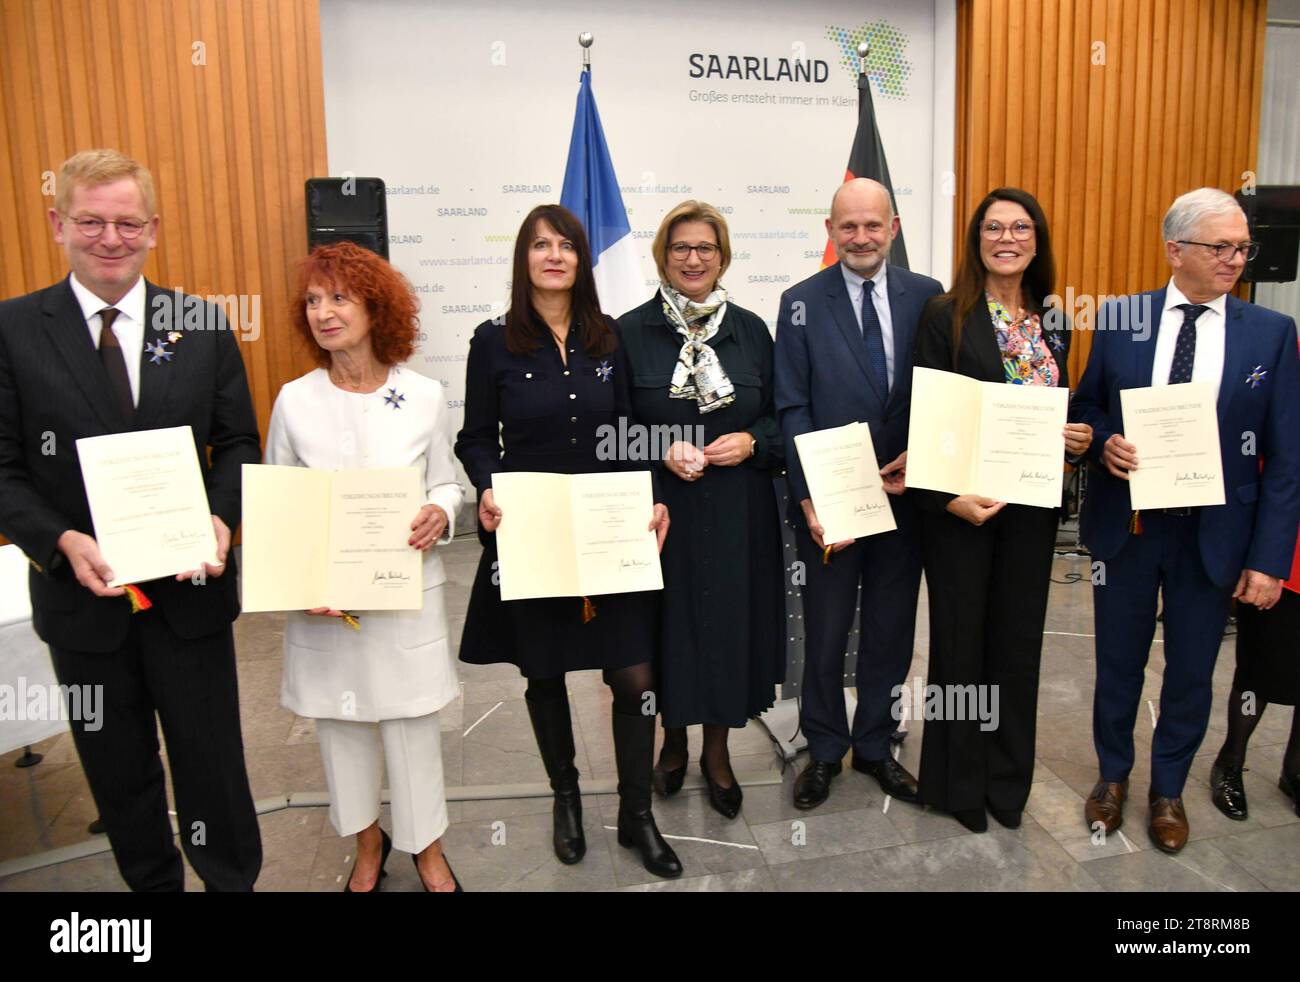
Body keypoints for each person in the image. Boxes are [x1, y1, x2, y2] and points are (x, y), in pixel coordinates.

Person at [0, 149, 262, 890]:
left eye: (127, 223)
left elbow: (238, 439)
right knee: (119, 778)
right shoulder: (13, 330)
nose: (110, 238)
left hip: (191, 597)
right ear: (58, 224)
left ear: (153, 228)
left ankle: (232, 882)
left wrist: (221, 517)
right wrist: (58, 541)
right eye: (91, 221)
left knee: (213, 766)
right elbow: (3, 469)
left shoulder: (200, 323)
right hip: (83, 603)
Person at [1071, 188, 1300, 853]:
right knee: (1118, 663)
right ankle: (1112, 777)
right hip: (1131, 527)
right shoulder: (1121, 320)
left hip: (1216, 536)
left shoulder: (1271, 334)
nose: (1236, 259)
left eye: (1242, 248)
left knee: (1194, 669)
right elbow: (1090, 409)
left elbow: (1286, 459)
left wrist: (1268, 559)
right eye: (1220, 247)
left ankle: (1168, 788)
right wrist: (1106, 439)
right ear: (1176, 250)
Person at [455, 204, 680, 878]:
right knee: (544, 672)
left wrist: (655, 498)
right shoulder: (491, 342)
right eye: (540, 245)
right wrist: (487, 487)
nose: (554, 256)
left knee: (634, 674)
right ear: (523, 258)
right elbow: (473, 439)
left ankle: (636, 814)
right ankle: (567, 800)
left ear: (582, 261)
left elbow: (632, 432)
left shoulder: (608, 337)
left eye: (567, 247)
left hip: (610, 528)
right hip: (532, 531)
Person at [266, 241, 464, 892]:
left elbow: (446, 484)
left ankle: (426, 849)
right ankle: (368, 844)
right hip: (326, 605)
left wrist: (439, 512)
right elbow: (278, 504)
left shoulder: (425, 395)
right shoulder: (294, 400)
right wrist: (299, 580)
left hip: (404, 596)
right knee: (341, 729)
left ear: (377, 308)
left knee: (412, 728)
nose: (324, 312)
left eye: (339, 298)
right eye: (314, 301)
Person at [912, 188, 1092, 832]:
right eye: (993, 227)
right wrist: (946, 497)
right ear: (977, 240)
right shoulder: (945, 315)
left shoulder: (1055, 321)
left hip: (1032, 509)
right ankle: (960, 786)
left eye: (1020, 227)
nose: (1007, 237)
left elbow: (1057, 412)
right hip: (962, 509)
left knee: (1017, 648)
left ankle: (1007, 784)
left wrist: (1076, 439)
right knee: (961, 648)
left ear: (1037, 240)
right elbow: (926, 415)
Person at [773, 177, 943, 810]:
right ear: (830, 231)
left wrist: (924, 460)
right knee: (826, 628)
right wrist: (810, 497)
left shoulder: (928, 297)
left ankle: (874, 744)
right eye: (849, 226)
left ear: (893, 227)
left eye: (873, 225)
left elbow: (940, 392)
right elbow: (790, 406)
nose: (862, 237)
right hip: (832, 503)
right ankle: (823, 748)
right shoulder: (799, 303)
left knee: (893, 630)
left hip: (906, 499)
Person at [617, 200, 784, 819]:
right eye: (681, 248)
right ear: (664, 256)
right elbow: (608, 432)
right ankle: (674, 742)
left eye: (705, 249)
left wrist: (754, 443)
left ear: (723, 258)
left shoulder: (753, 330)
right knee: (666, 630)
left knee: (727, 631)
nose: (693, 259)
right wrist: (662, 448)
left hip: (740, 514)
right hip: (661, 515)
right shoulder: (628, 332)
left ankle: (718, 751)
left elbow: (778, 420)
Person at [1208, 337, 1300, 821]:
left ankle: (1296, 770)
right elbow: (1273, 452)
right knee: (1261, 668)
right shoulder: (1288, 349)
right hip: (1287, 545)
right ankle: (1231, 761)